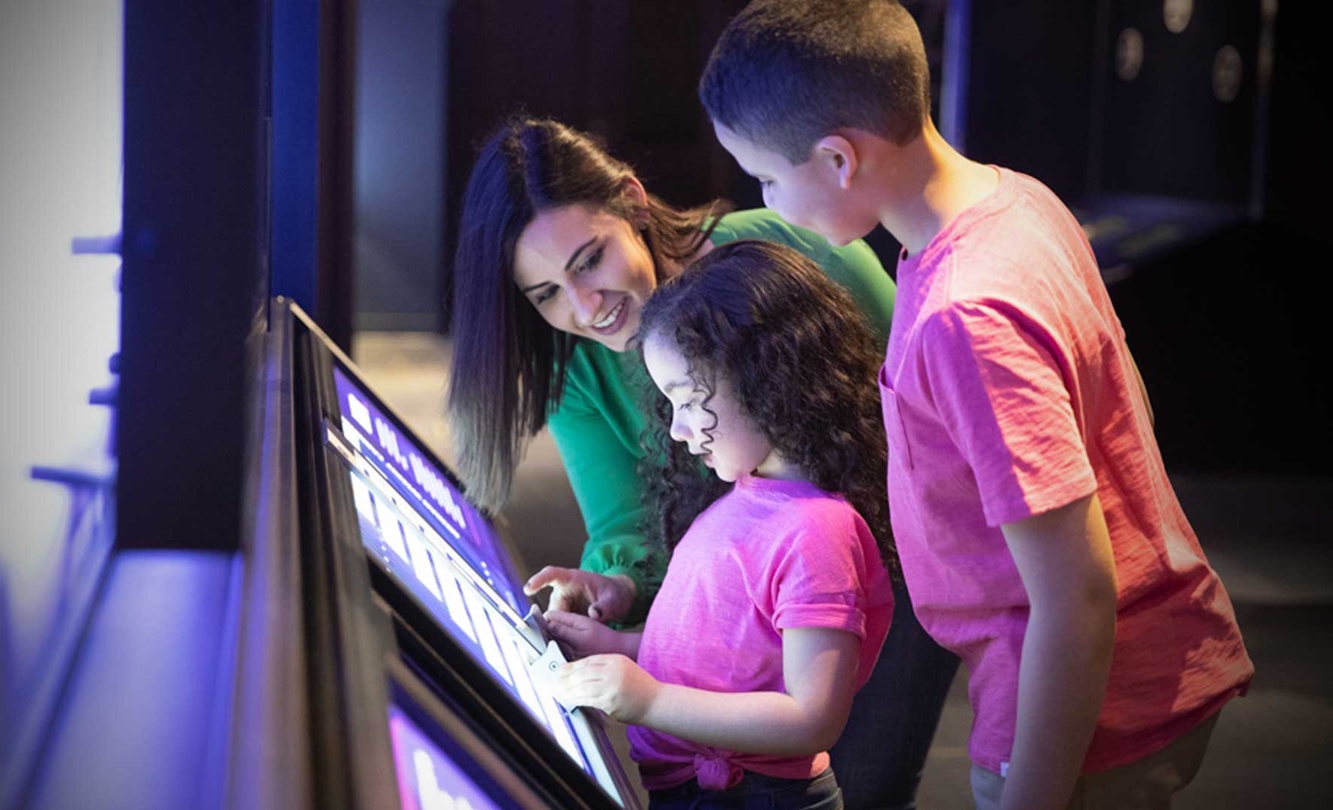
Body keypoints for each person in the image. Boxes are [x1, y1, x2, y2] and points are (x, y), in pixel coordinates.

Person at [698, 2, 1255, 808]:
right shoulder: (1015, 199)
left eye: (768, 177)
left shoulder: (966, 314)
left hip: (1087, 712)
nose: (769, 200)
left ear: (838, 159)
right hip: (1138, 667)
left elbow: (1075, 595)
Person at [447, 115, 960, 806]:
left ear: (631, 203)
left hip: (901, 564)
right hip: (754, 612)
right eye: (545, 295)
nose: (586, 307)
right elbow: (630, 520)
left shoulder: (792, 251)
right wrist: (620, 587)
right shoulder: (575, 367)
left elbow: (931, 409)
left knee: (868, 783)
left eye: (589, 260)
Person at [547, 240, 896, 810]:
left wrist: (650, 701)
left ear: (766, 377)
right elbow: (724, 659)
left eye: (688, 401)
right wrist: (618, 646)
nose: (680, 431)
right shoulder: (745, 498)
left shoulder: (817, 531)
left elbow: (812, 717)